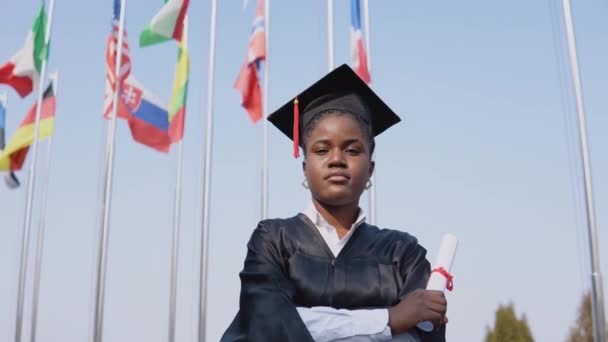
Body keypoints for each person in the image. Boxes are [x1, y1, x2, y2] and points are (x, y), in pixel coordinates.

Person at [221, 65, 448, 342]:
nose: (337, 158)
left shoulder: (403, 253)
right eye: (322, 149)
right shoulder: (273, 240)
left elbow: (420, 334)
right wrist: (389, 319)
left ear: (371, 169)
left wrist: (305, 320)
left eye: (352, 150)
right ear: (305, 168)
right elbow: (267, 324)